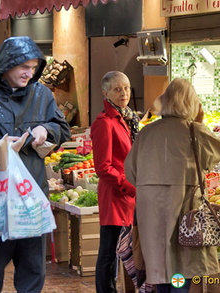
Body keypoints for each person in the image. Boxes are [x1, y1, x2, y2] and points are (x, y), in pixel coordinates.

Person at [0, 36, 71, 293]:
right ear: (7, 64)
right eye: (23, 67)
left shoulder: (42, 93)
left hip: (30, 197)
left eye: (33, 67)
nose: (29, 74)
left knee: (34, 267)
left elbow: (62, 128)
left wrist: (46, 128)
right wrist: (1, 146)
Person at [124, 78, 220, 292]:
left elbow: (130, 172)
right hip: (185, 210)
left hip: (150, 213)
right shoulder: (194, 132)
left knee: (160, 267)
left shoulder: (146, 133)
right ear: (192, 103)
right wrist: (199, 122)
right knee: (181, 268)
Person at [90, 71, 139, 292]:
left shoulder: (128, 118)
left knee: (125, 248)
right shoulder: (105, 123)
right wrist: (129, 186)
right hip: (115, 195)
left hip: (130, 194)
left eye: (126, 88)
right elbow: (103, 167)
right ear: (105, 92)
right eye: (117, 89)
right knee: (109, 251)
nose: (123, 93)